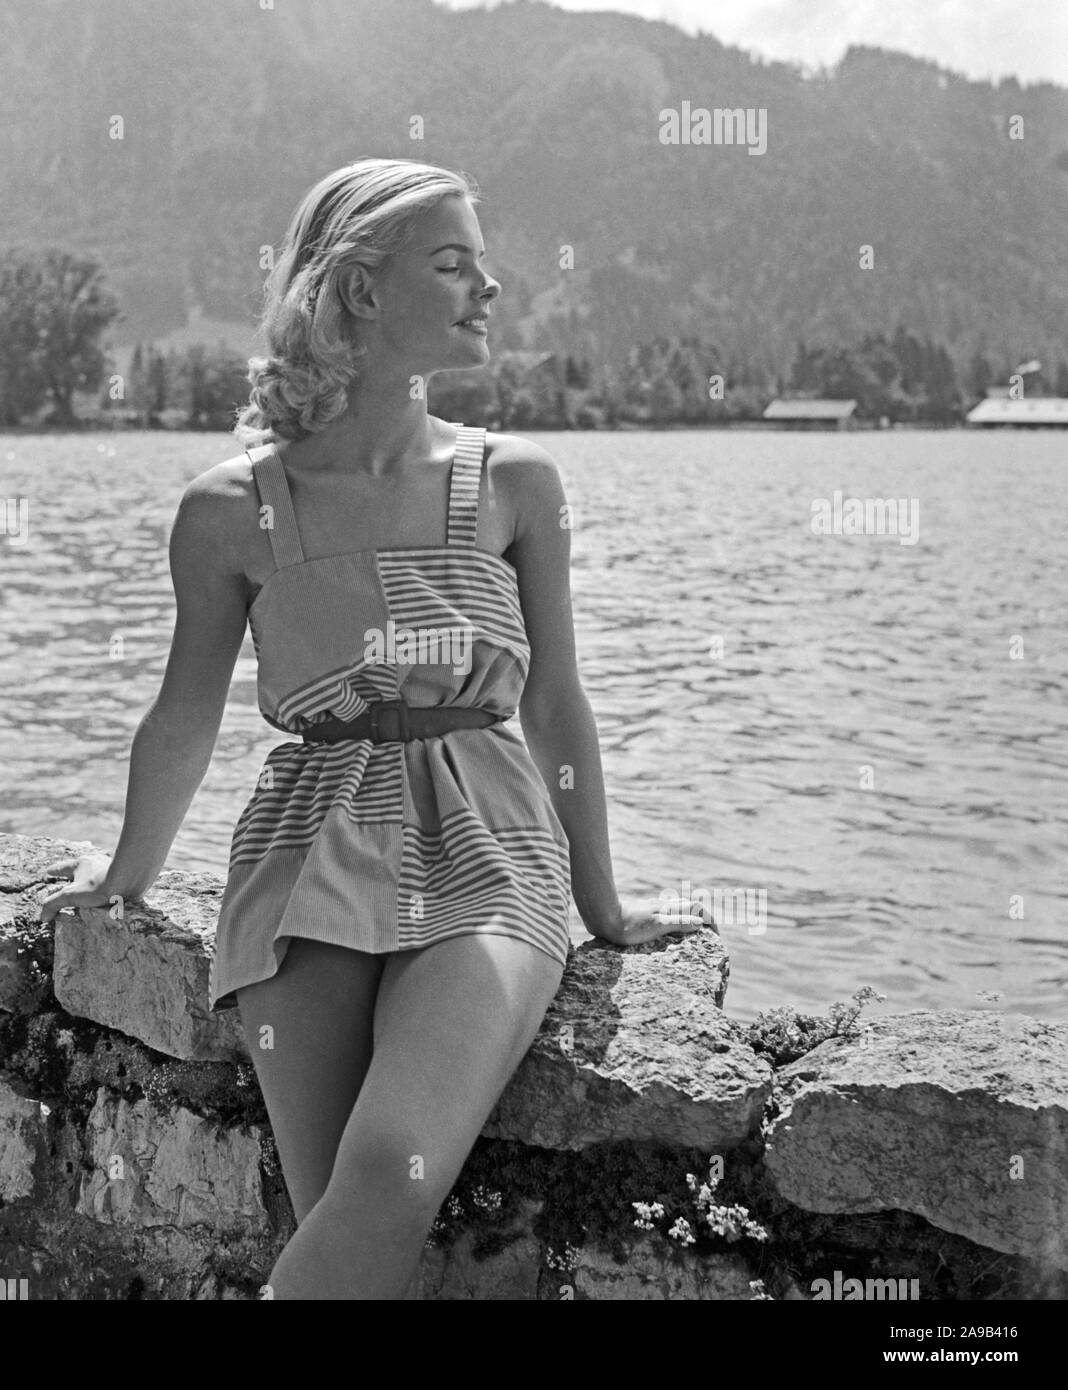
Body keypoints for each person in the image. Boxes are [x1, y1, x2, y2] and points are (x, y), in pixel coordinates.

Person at [40, 157, 711, 1300]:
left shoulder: (517, 481)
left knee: (387, 1171)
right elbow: (183, 715)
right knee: (348, 1226)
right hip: (304, 852)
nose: (489, 290)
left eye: (484, 266)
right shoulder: (226, 510)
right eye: (453, 265)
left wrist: (602, 905)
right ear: (357, 290)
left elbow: (554, 704)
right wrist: (123, 881)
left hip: (490, 845)